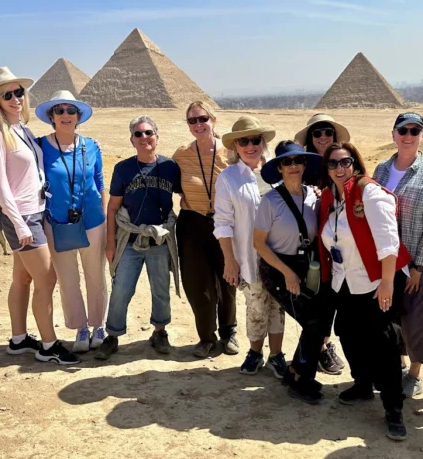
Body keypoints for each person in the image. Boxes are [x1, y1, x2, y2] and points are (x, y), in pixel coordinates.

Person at [0, 67, 79, 364]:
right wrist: (19, 223)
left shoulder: (21, 129)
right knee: (47, 279)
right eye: (7, 94)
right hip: (21, 217)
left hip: (35, 212)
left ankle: (19, 339)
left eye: (18, 92)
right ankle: (49, 346)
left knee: (22, 278)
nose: (15, 99)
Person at [318, 142, 412, 441]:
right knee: (347, 331)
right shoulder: (332, 198)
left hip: (374, 282)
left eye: (344, 162)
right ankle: (362, 383)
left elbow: (388, 242)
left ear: (355, 164)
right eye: (332, 164)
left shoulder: (369, 192)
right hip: (344, 280)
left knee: (383, 341)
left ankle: (393, 407)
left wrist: (386, 283)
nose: (339, 169)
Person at [95, 115, 182, 361]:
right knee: (121, 289)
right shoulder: (123, 169)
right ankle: (112, 336)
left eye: (148, 133)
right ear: (132, 140)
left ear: (157, 136)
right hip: (130, 240)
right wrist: (110, 243)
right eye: (138, 134)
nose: (144, 138)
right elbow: (112, 208)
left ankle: (160, 331)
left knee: (160, 289)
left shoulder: (170, 167)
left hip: (159, 240)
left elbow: (190, 192)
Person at [373, 112, 423, 398]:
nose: (408, 135)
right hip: (386, 261)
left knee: (415, 318)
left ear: (422, 136)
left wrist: (420, 266)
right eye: (402, 129)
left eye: (415, 130)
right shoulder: (381, 170)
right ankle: (398, 365)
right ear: (393, 134)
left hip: (416, 261)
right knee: (388, 316)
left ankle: (414, 374)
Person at [35, 91, 108, 353]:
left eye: (70, 111)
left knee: (95, 275)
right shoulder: (40, 146)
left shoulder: (92, 146)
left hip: (93, 222)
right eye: (60, 110)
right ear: (51, 117)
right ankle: (80, 328)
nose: (65, 115)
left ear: (78, 117)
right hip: (57, 223)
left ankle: (98, 324)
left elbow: (100, 183)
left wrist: (105, 218)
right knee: (67, 279)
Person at [254, 141, 326, 403]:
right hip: (278, 269)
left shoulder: (313, 196)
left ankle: (296, 370)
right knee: (312, 321)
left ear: (305, 164)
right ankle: (300, 380)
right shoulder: (270, 201)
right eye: (287, 162)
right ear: (280, 168)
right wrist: (286, 273)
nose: (293, 166)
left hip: (307, 267)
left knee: (320, 318)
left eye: (298, 160)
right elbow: (259, 243)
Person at [214, 116, 287, 376]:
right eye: (243, 141)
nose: (250, 145)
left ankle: (277, 355)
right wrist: (230, 260)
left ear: (263, 142)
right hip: (249, 255)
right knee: (256, 306)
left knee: (278, 305)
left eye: (255, 140)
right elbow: (222, 222)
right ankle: (255, 352)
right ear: (235, 146)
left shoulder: (278, 172)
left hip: (279, 254)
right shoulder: (228, 177)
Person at [173, 101, 237, 358]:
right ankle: (206, 336)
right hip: (192, 223)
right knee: (198, 283)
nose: (198, 125)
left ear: (213, 120)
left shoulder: (231, 154)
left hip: (224, 223)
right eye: (192, 121)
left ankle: (229, 332)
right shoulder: (180, 155)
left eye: (202, 119)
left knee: (228, 279)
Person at [294, 113, 349, 375]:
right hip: (311, 243)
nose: (323, 137)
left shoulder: (343, 162)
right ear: (309, 139)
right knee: (317, 296)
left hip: (341, 242)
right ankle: (322, 347)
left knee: (332, 296)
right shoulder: (302, 164)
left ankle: (323, 344)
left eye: (328, 132)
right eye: (317, 133)